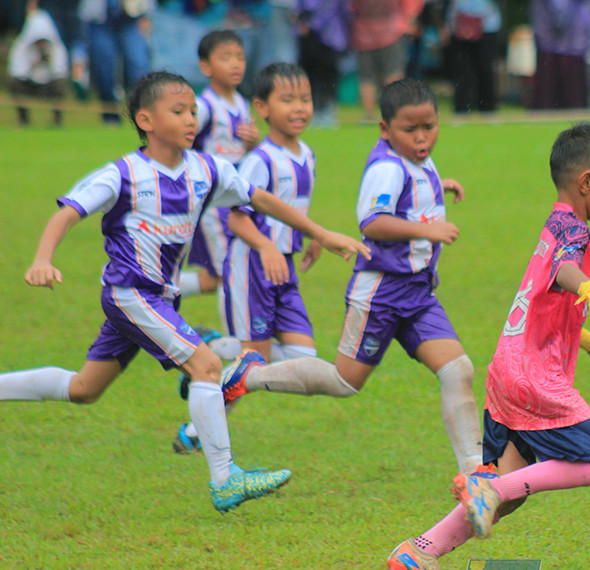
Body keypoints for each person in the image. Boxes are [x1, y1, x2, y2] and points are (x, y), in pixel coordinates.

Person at [0, 71, 370, 514]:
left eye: (193, 110)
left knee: (84, 389)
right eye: (179, 111)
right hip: (131, 294)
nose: (192, 119)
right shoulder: (124, 174)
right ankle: (225, 478)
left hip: (160, 298)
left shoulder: (207, 169)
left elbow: (262, 200)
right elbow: (67, 213)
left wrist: (321, 232)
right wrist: (43, 259)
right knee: (207, 365)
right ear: (146, 120)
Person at [386, 123, 590, 570]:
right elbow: (564, 272)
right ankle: (487, 487)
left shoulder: (556, 222)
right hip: (534, 379)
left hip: (509, 369)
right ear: (586, 182)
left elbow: (545, 307)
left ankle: (420, 550)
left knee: (513, 489)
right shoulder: (572, 232)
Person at [215, 79, 484, 476]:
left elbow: (409, 195)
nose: (422, 137)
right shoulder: (387, 167)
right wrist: (428, 230)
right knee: (345, 381)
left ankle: (475, 475)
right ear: (384, 130)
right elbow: (373, 222)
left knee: (458, 369)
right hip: (381, 292)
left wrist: (437, 186)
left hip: (418, 292)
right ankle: (250, 375)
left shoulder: (418, 160)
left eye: (429, 126)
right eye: (410, 130)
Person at [173, 62, 327, 453]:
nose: (299, 108)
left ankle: (215, 346)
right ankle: (193, 432)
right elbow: (237, 218)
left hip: (284, 267)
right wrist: (267, 245)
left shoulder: (307, 153)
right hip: (252, 269)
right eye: (287, 99)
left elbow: (295, 207)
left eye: (305, 99)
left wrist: (311, 237)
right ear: (262, 107)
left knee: (303, 355)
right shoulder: (261, 159)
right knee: (254, 363)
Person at [176, 30, 260, 348]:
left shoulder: (240, 102)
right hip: (212, 204)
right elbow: (181, 139)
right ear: (206, 66)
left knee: (215, 277)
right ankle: (234, 341)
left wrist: (254, 143)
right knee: (230, 272)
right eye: (225, 57)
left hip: (235, 201)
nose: (235, 64)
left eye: (239, 56)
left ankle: (150, 286)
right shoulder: (204, 105)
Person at [78, 0, 151, 124]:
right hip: (100, 21)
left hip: (132, 19)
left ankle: (142, 115)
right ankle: (110, 117)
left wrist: (147, 14)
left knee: (138, 67)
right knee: (104, 71)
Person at [351, 0, 424, 121]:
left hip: (363, 34)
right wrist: (410, 19)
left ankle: (369, 115)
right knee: (393, 73)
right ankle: (394, 113)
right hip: (392, 31)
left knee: (367, 77)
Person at [8, 0, 69, 126]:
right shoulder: (22, 48)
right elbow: (17, 72)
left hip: (49, 84)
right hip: (29, 83)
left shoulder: (56, 48)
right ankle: (23, 118)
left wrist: (49, 62)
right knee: (13, 82)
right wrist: (33, 65)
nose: (41, 44)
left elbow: (60, 71)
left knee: (61, 83)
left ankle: (57, 119)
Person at [529, 0, 590, 109]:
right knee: (568, 98)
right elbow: (559, 9)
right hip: (563, 42)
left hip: (562, 41)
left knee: (552, 97)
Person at [296, 0, 350, 128]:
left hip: (332, 37)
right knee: (310, 76)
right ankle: (311, 111)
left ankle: (328, 111)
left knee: (329, 76)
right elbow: (299, 9)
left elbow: (345, 11)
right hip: (310, 36)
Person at [442, 0, 501, 114]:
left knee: (485, 69)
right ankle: (462, 107)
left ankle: (487, 108)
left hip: (487, 25)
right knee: (462, 71)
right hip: (459, 26)